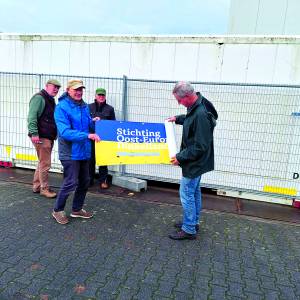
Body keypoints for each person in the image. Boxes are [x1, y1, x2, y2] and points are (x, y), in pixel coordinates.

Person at [167, 81, 217, 240]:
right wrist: (178, 118)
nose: (179, 103)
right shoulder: (197, 104)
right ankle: (192, 222)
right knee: (194, 192)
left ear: (188, 96)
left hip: (195, 162)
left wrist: (180, 157)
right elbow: (190, 119)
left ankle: (189, 229)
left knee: (186, 193)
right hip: (198, 161)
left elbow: (200, 145)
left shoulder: (201, 113)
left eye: (179, 100)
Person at [52, 79, 100, 225]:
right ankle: (57, 210)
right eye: (76, 90)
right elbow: (65, 132)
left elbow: (86, 125)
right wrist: (87, 135)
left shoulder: (84, 106)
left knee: (85, 181)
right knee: (71, 182)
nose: (79, 92)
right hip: (70, 153)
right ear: (68, 90)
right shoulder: (62, 107)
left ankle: (76, 209)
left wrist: (94, 122)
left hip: (83, 150)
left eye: (81, 90)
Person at [27, 79, 61, 198]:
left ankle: (37, 186)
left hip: (47, 136)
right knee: (45, 164)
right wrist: (34, 133)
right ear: (47, 86)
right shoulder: (39, 98)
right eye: (54, 87)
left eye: (58, 88)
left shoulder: (50, 100)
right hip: (42, 136)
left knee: (42, 162)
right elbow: (32, 117)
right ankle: (44, 189)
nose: (56, 89)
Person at [88, 88, 116, 189]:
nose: (101, 97)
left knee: (103, 160)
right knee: (90, 160)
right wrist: (92, 120)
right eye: (99, 95)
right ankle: (89, 180)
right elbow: (85, 122)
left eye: (103, 95)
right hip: (91, 137)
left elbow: (113, 124)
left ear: (105, 96)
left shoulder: (110, 109)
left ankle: (103, 180)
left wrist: (102, 120)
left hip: (103, 139)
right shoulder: (88, 107)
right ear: (95, 96)